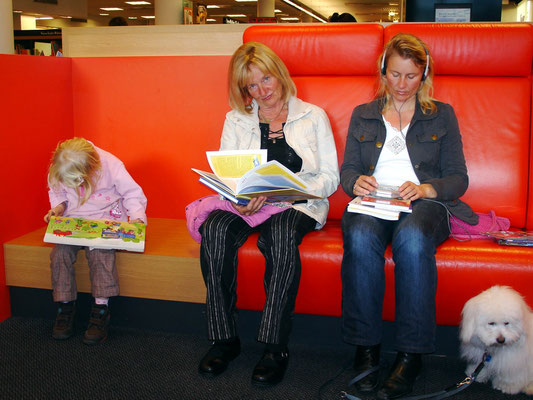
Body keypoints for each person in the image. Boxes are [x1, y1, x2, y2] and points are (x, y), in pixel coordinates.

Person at [340, 33, 477, 399]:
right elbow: (347, 172)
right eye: (394, 75)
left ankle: (411, 354)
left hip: (424, 205)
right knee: (359, 236)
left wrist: (428, 189)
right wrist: (357, 183)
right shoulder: (363, 114)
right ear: (383, 72)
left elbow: (458, 178)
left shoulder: (441, 115)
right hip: (374, 203)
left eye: (411, 76)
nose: (401, 85)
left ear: (424, 75)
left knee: (413, 238)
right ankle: (365, 349)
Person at [197, 41, 339, 386]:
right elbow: (229, 172)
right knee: (214, 228)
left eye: (267, 80)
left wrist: (296, 192)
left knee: (281, 235)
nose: (262, 91)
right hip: (252, 205)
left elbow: (330, 177)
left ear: (280, 75)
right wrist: (239, 195)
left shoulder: (312, 116)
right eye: (252, 86)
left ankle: (275, 346)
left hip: (297, 203)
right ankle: (224, 339)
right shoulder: (236, 119)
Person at [44, 137, 147, 345]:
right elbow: (57, 193)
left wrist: (136, 219)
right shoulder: (61, 165)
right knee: (59, 253)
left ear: (90, 168)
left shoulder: (111, 165)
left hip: (104, 218)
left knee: (100, 254)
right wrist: (58, 209)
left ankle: (101, 308)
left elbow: (132, 194)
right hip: (73, 220)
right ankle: (66, 306)